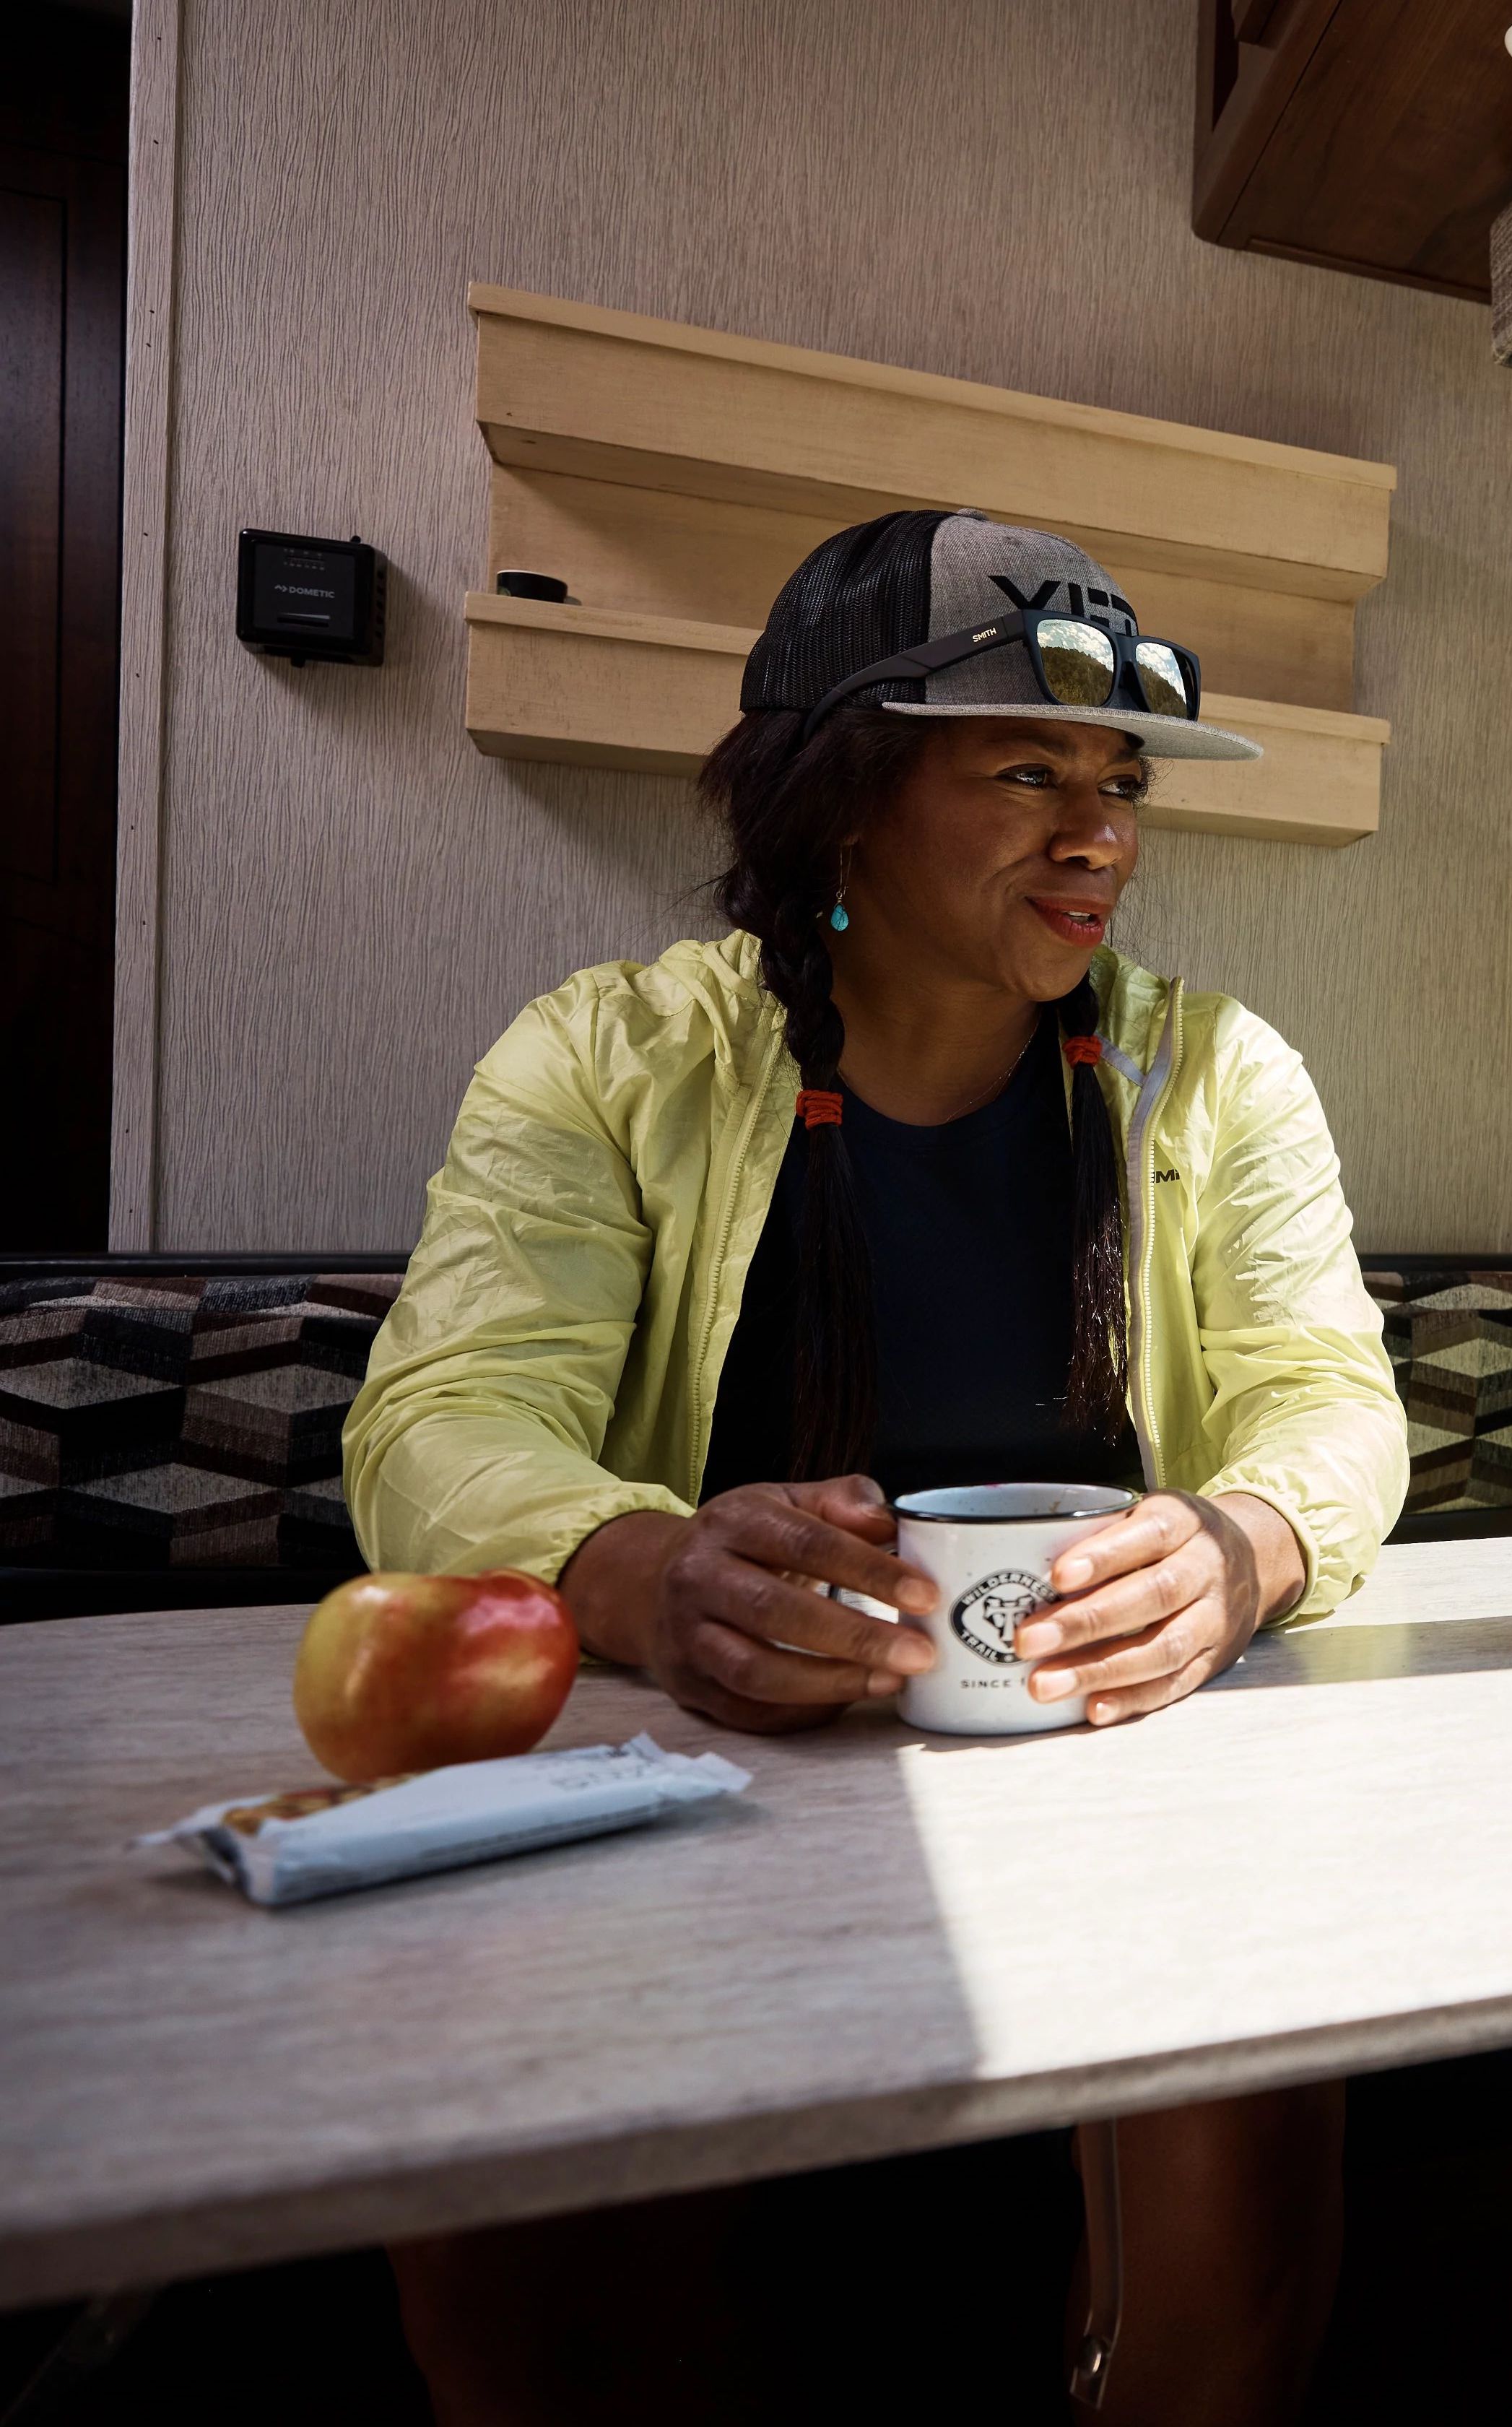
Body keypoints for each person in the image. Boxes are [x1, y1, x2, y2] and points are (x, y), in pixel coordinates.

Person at [345, 507, 1408, 2425]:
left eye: (1119, 778)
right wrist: (649, 1573)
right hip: (690, 1804)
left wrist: (1244, 1546)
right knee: (504, 2116)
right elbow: (441, 1415)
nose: (1103, 832)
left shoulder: (1211, 1074)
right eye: (1027, 770)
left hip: (1107, 1802)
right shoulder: (608, 1057)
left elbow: (1332, 1400)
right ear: (842, 799)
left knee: (1258, 2066)